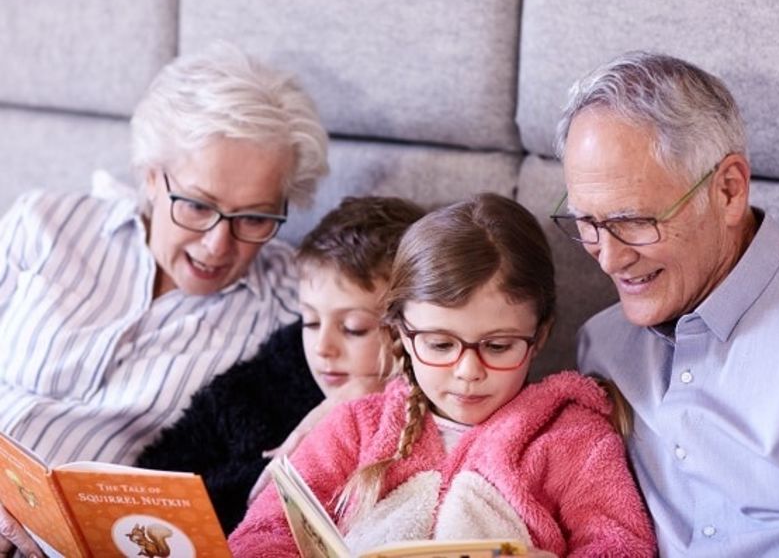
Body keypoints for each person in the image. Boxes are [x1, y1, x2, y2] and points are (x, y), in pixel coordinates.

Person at [0, 42, 328, 557]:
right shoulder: (44, 225)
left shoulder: (298, 307)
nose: (218, 245)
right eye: (197, 205)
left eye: (255, 218)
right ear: (151, 176)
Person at [229, 193, 656, 557]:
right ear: (399, 332)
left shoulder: (573, 440)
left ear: (540, 334)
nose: (468, 372)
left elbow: (620, 544)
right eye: (440, 345)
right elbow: (260, 535)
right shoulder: (353, 428)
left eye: (498, 346)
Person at [551, 50, 779, 556]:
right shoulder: (601, 347)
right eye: (589, 224)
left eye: (635, 221)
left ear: (728, 191)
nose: (609, 259)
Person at [135, 195, 425, 534]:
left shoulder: (446, 396)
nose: (322, 348)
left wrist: (373, 401)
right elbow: (163, 473)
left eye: (353, 328)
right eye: (311, 322)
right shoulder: (271, 377)